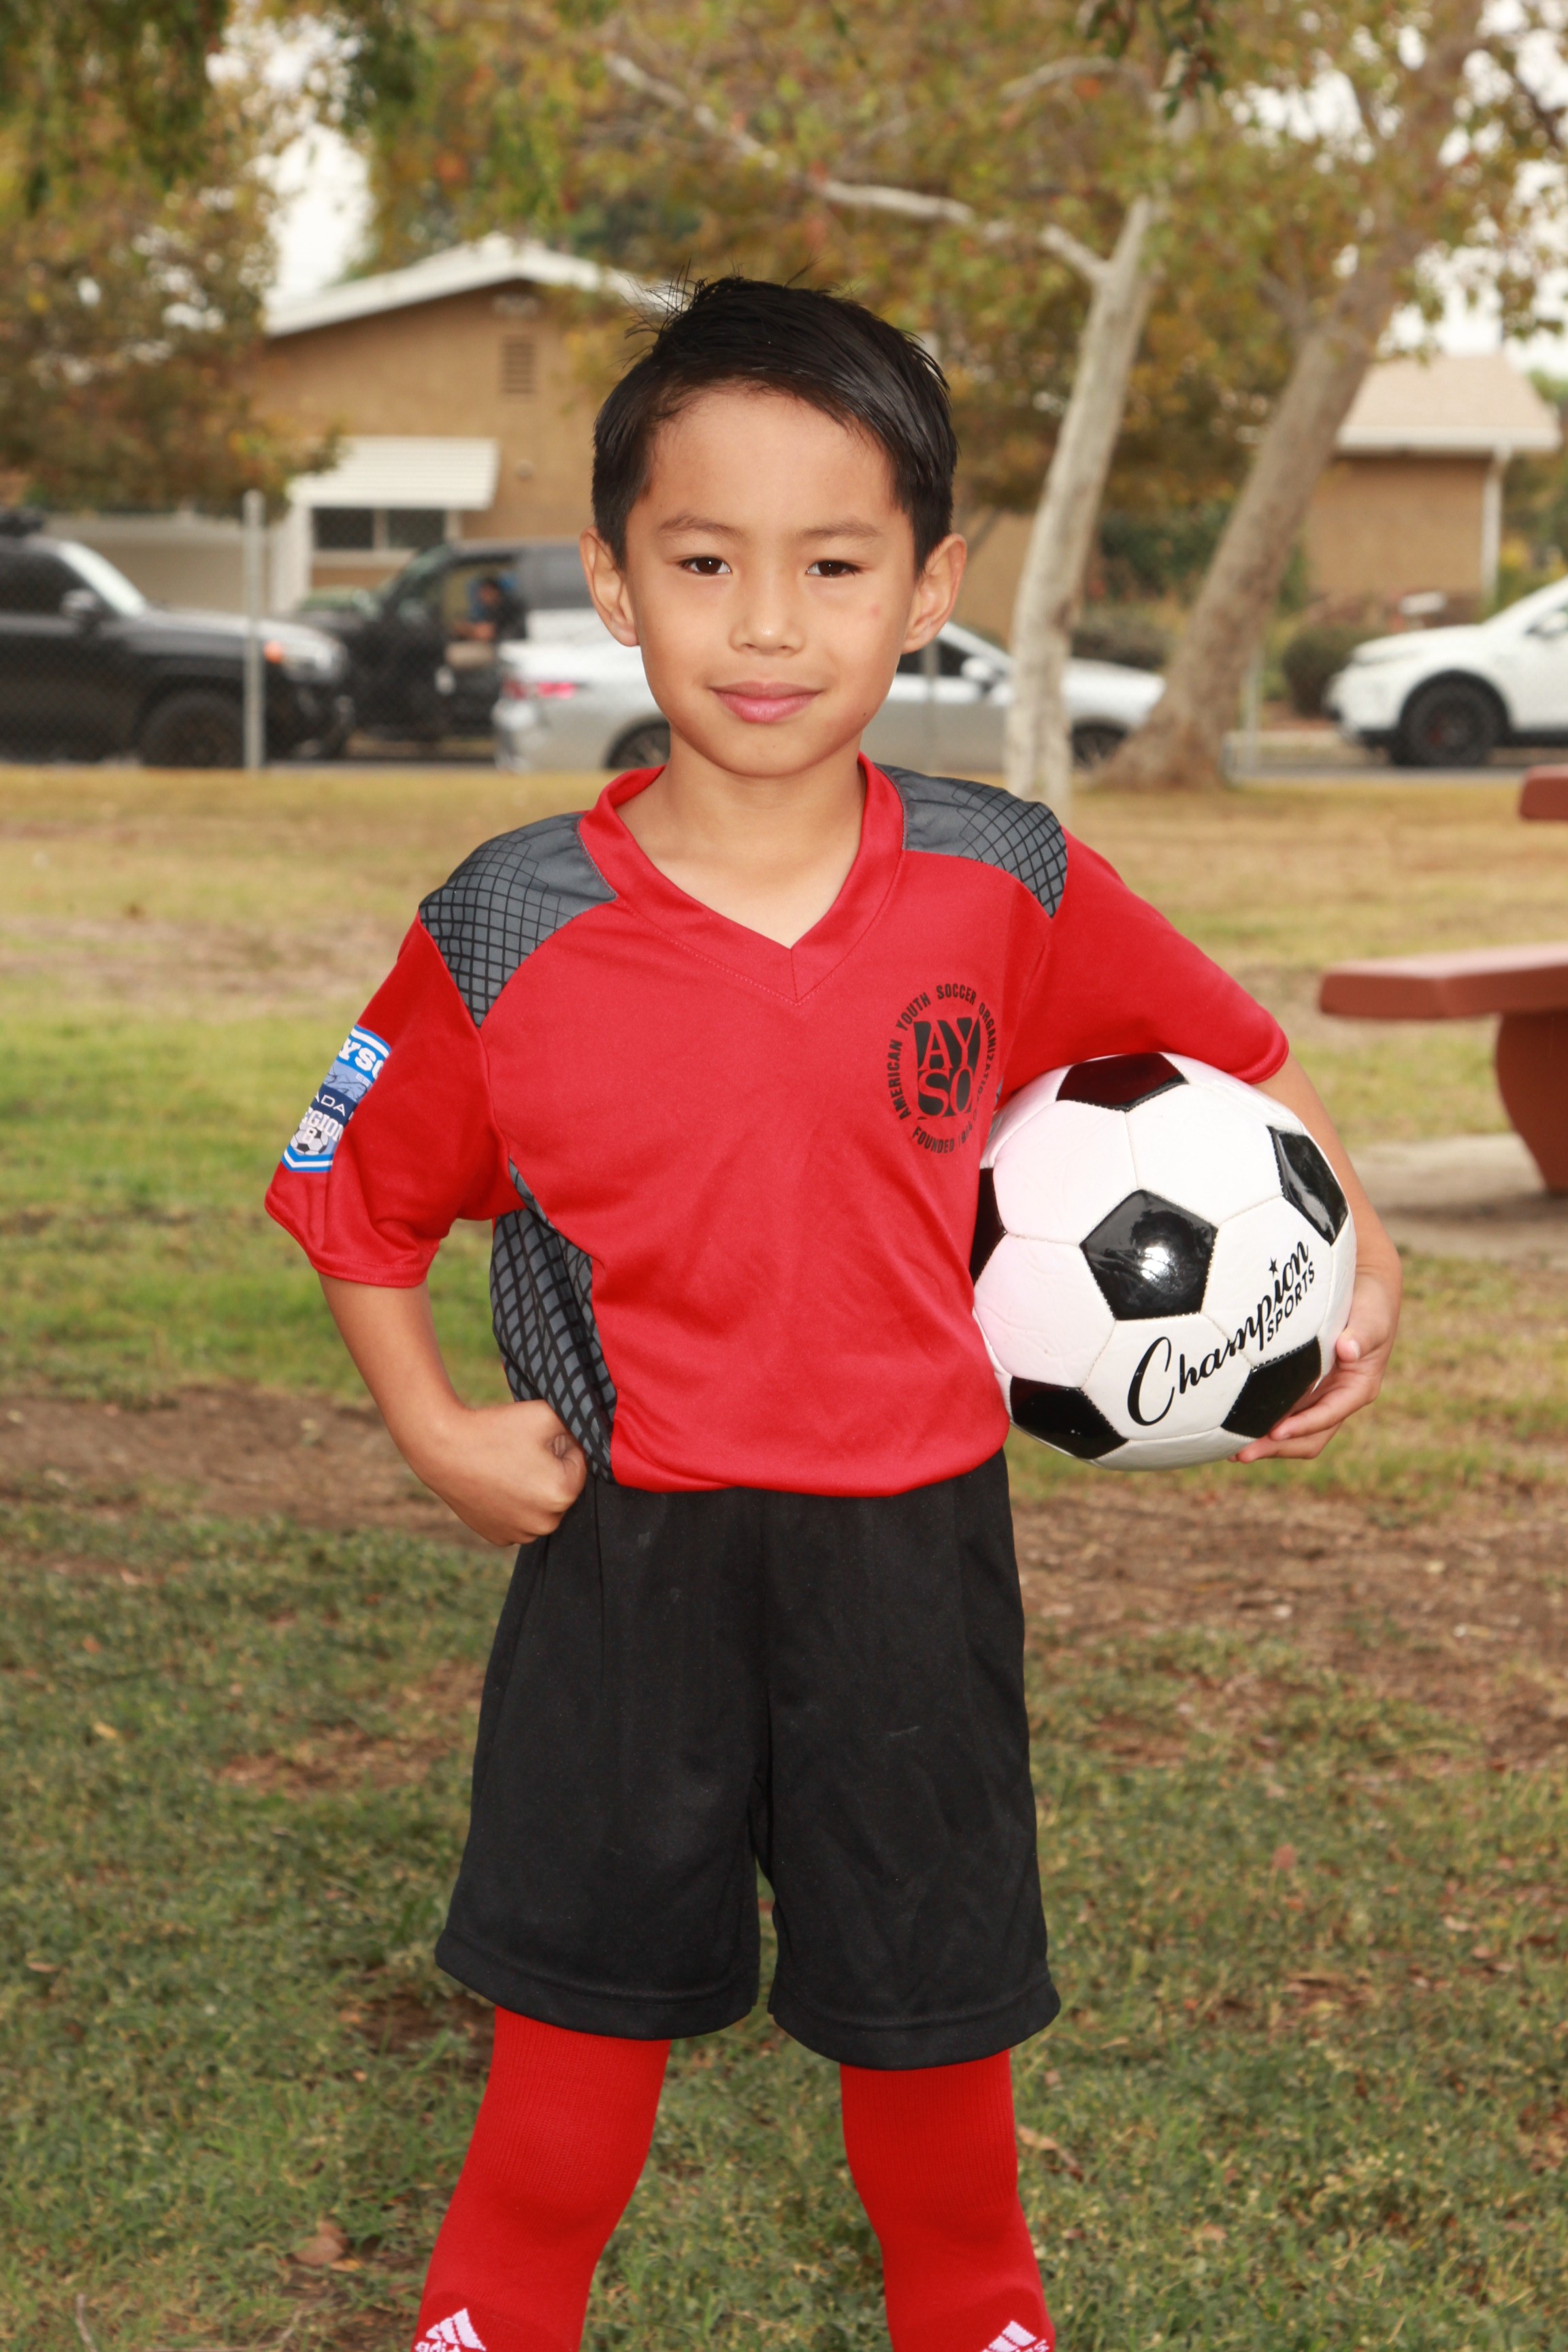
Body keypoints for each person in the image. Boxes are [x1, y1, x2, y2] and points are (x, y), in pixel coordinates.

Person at [265, 278, 1401, 2352]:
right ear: (616, 578)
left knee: (933, 2044)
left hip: (911, 1564)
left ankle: (981, 2316)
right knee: (571, 2045)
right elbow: (357, 1199)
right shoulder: (506, 923)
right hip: (631, 1562)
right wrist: (432, 1425)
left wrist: (1357, 1254)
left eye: (836, 566)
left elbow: (1230, 1050)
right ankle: (488, 2317)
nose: (768, 625)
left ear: (931, 589)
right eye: (706, 563)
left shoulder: (1001, 880)